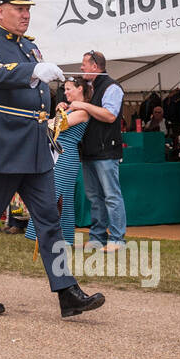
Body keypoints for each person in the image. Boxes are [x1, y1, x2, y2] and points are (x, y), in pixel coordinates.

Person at [0, 0, 104, 318]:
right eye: (18, 8)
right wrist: (32, 70)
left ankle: (66, 291)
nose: (25, 15)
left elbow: (37, 95)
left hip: (34, 147)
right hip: (0, 146)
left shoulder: (29, 46)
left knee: (49, 220)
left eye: (27, 9)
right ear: (0, 10)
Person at [26, 75, 91, 250]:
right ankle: (56, 237)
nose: (66, 92)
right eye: (65, 89)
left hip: (66, 155)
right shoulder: (70, 109)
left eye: (69, 89)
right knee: (56, 196)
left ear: (80, 89)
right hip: (56, 153)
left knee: (57, 196)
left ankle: (53, 237)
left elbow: (56, 126)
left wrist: (47, 119)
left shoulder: (82, 112)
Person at [74, 50, 127, 252]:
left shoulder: (112, 87)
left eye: (84, 64)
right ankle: (97, 237)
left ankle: (117, 239)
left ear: (95, 66)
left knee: (111, 196)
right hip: (88, 151)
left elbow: (110, 116)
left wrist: (84, 106)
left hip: (106, 151)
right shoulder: (89, 88)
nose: (81, 67)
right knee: (94, 198)